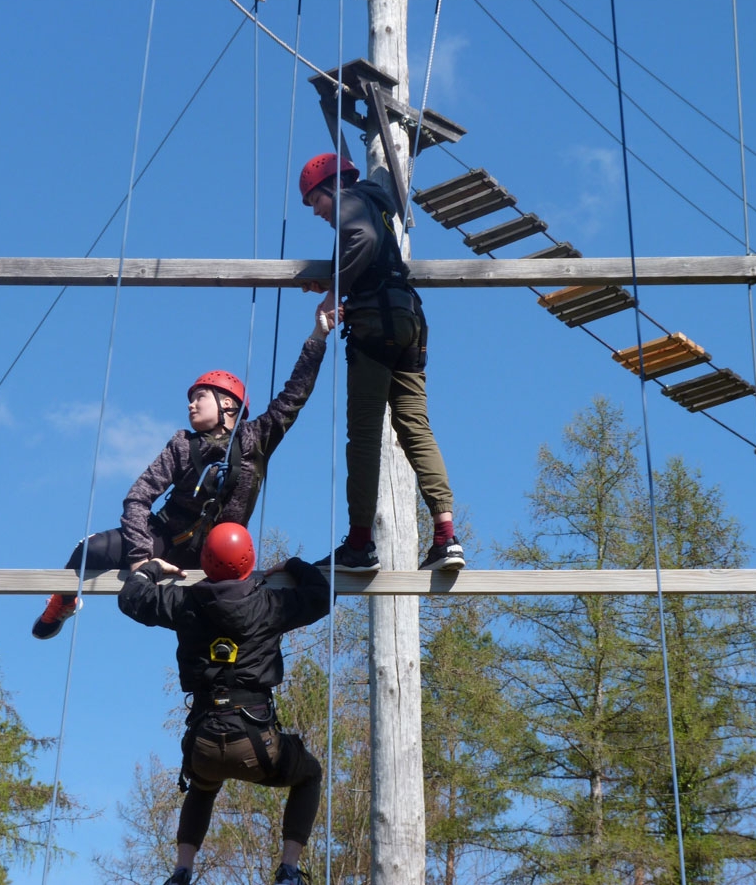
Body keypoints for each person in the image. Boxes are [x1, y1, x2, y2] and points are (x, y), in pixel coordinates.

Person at [32, 302, 336, 639]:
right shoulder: (181, 445)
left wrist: (318, 336)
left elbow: (294, 396)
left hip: (219, 553)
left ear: (228, 404)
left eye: (200, 396)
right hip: (162, 539)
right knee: (91, 548)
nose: (191, 403)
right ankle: (63, 602)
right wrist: (139, 557)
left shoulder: (258, 438)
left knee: (223, 623)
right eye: (191, 399)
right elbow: (138, 497)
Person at [118, 522, 329, 885]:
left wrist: (154, 567)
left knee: (203, 787)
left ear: (205, 560)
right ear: (250, 561)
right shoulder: (270, 605)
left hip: (204, 740)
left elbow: (131, 598)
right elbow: (322, 596)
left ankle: (182, 870)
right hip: (255, 740)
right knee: (309, 773)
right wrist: (294, 565)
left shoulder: (185, 604)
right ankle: (289, 870)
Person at [299, 152, 464, 573]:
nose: (316, 211)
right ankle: (446, 536)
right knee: (416, 427)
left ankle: (359, 545)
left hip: (375, 326)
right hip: (409, 321)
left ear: (330, 186)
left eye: (314, 201)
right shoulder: (376, 205)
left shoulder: (349, 200)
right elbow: (371, 250)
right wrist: (336, 276)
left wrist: (334, 292)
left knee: (365, 438)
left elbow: (362, 241)